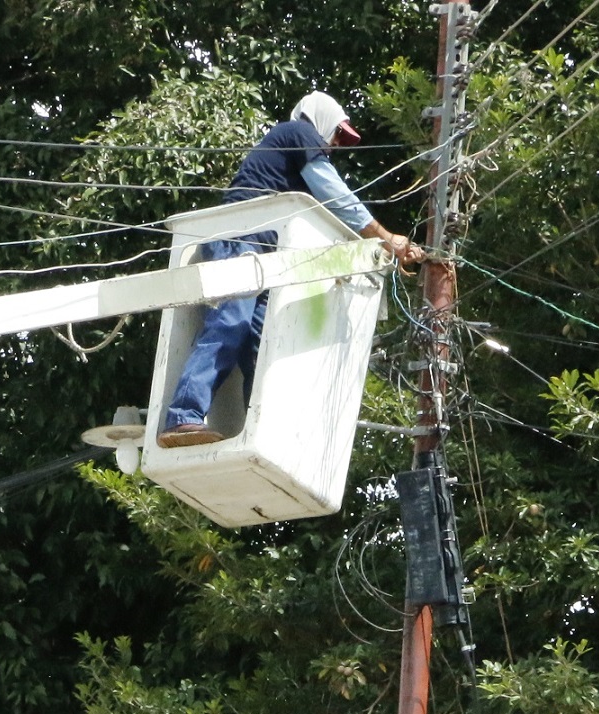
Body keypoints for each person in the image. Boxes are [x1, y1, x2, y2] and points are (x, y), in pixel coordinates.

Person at [158, 92, 425, 448]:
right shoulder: (297, 133)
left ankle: (260, 432)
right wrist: (385, 237)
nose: (333, 145)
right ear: (322, 119)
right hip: (239, 240)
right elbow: (337, 196)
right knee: (231, 322)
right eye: (337, 135)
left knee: (263, 343)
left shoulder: (297, 159)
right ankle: (182, 416)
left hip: (267, 258)